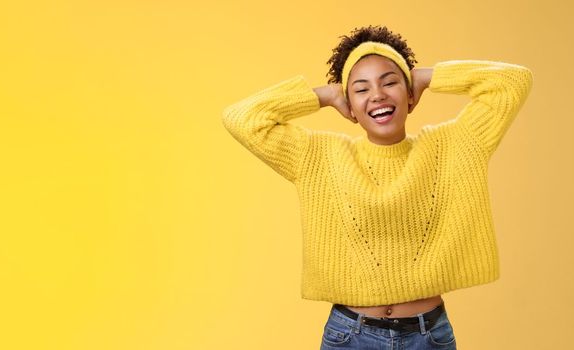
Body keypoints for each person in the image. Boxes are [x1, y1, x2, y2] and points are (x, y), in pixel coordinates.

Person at [221, 25, 532, 349]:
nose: (378, 95)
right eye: (360, 89)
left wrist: (426, 77)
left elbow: (512, 83)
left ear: (409, 94)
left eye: (390, 82)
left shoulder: (453, 146)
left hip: (428, 337)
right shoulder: (318, 156)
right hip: (350, 335)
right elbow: (241, 119)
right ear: (349, 106)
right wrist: (324, 96)